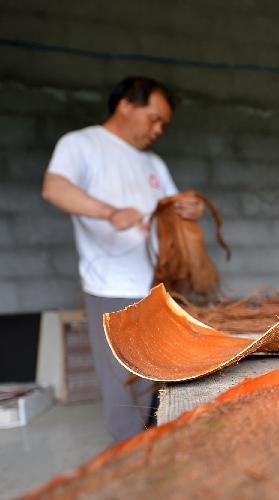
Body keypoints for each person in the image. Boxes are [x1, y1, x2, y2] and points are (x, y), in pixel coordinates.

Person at [42, 76, 204, 442]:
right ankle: (129, 460)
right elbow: (55, 188)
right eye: (154, 119)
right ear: (125, 105)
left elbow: (171, 207)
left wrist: (188, 209)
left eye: (164, 124)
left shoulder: (153, 163)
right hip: (111, 289)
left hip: (157, 287)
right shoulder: (82, 144)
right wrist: (109, 212)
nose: (158, 130)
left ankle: (151, 454)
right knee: (124, 389)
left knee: (158, 380)